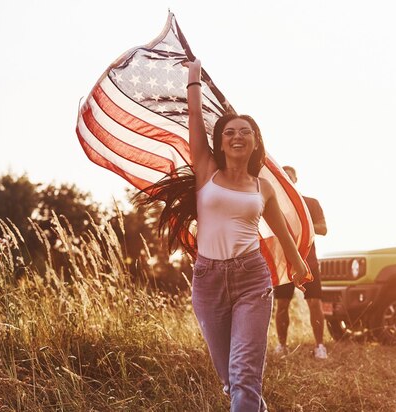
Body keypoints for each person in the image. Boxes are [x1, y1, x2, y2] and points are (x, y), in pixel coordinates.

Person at [138, 59, 308, 412]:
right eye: (229, 131)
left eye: (245, 131)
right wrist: (193, 80)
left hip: (251, 279)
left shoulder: (263, 187)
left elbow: (281, 231)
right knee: (233, 381)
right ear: (220, 141)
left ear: (255, 141)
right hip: (208, 281)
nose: (236, 136)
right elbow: (195, 123)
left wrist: (298, 264)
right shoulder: (206, 169)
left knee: (245, 376)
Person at [274, 166, 328, 359]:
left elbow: (323, 228)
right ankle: (281, 345)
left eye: (290, 176)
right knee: (282, 305)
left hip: (309, 264)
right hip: (284, 264)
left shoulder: (311, 203)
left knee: (315, 304)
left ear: (296, 179)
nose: (287, 179)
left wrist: (302, 223)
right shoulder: (274, 205)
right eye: (284, 176)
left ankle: (320, 346)